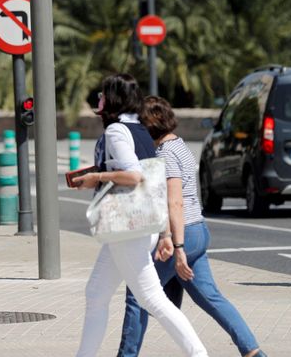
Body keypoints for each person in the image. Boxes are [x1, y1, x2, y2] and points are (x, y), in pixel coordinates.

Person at [117, 96, 265, 357]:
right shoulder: (179, 145)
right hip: (197, 230)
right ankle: (253, 352)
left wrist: (178, 247)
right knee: (210, 298)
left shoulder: (166, 154)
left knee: (138, 294)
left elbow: (174, 203)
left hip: (182, 234)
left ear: (149, 127)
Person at [72, 74, 208, 357]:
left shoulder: (117, 131)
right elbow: (154, 181)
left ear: (112, 99)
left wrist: (95, 176)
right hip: (136, 228)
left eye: (102, 94)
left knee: (152, 298)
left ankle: (199, 354)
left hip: (127, 227)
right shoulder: (142, 131)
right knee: (96, 294)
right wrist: (164, 234)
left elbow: (134, 176)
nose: (98, 99)